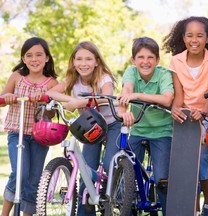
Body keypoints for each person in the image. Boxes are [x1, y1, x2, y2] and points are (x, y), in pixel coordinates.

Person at [46, 41, 121, 216]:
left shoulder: (104, 78)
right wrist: (68, 102)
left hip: (112, 124)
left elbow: (107, 97)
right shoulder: (73, 79)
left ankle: (113, 200)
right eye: (78, 59)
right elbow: (51, 93)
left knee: (111, 164)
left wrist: (80, 102)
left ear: (96, 62)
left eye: (88, 59)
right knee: (85, 171)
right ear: (73, 62)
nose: (83, 63)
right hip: (89, 127)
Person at [162, 16, 208, 215]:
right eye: (190, 35)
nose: (194, 40)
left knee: (201, 160)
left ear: (207, 38)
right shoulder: (176, 61)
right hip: (186, 117)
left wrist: (203, 112)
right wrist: (175, 109)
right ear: (183, 37)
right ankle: (192, 209)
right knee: (186, 165)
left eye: (199, 35)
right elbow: (179, 96)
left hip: (207, 114)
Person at [0, 37, 58, 216]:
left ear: (47, 58)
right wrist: (9, 96)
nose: (34, 59)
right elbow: (2, 99)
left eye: (39, 55)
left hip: (40, 136)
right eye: (29, 55)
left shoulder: (51, 83)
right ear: (23, 59)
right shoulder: (17, 76)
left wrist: (43, 102)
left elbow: (52, 113)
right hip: (17, 133)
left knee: (34, 180)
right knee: (20, 173)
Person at [117, 36, 174, 215]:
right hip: (139, 130)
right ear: (133, 60)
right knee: (126, 168)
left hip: (162, 131)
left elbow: (167, 99)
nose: (145, 61)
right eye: (140, 57)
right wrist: (123, 111)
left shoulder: (164, 73)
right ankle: (128, 205)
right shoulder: (131, 72)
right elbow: (126, 91)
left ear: (157, 60)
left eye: (150, 57)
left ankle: (167, 211)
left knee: (162, 179)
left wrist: (139, 96)